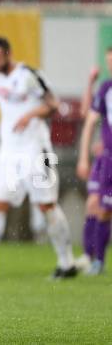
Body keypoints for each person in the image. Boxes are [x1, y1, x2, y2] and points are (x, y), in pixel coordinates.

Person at [0, 37, 77, 279]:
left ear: (8, 54)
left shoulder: (29, 74)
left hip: (34, 150)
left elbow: (53, 104)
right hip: (9, 152)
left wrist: (30, 114)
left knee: (46, 206)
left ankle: (66, 262)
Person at [76, 48, 112, 275]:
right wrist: (83, 157)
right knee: (94, 205)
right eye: (109, 61)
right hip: (106, 158)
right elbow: (86, 115)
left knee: (103, 209)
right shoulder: (106, 88)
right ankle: (90, 258)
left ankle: (96, 259)